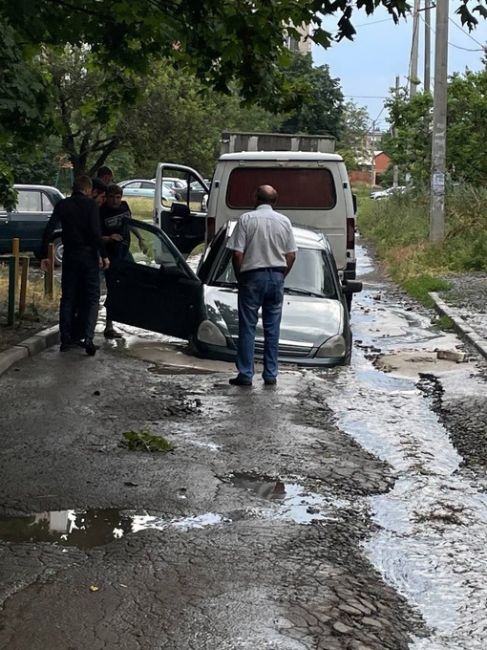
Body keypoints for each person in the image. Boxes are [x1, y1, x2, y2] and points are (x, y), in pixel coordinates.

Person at [226, 185, 297, 386]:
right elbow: (291, 255)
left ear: (255, 198)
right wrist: (281, 276)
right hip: (276, 277)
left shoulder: (246, 220)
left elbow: (237, 253)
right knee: (272, 329)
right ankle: (270, 374)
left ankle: (246, 374)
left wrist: (241, 277)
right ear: (275, 201)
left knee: (248, 326)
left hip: (252, 276)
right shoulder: (284, 222)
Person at [41, 175, 109, 356]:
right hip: (88, 256)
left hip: (70, 256)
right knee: (93, 297)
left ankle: (65, 339)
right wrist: (103, 255)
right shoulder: (91, 205)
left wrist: (43, 255)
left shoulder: (63, 205)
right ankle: (88, 338)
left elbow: (49, 229)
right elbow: (96, 233)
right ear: (87, 190)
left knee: (68, 297)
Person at [99, 183, 147, 338]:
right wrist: (109, 238)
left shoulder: (124, 207)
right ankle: (109, 325)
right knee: (113, 288)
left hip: (124, 252)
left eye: (118, 197)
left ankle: (130, 314)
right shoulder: (101, 211)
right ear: (106, 197)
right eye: (112, 197)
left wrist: (141, 238)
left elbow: (131, 224)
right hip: (110, 255)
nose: (115, 201)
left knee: (135, 280)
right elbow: (95, 236)